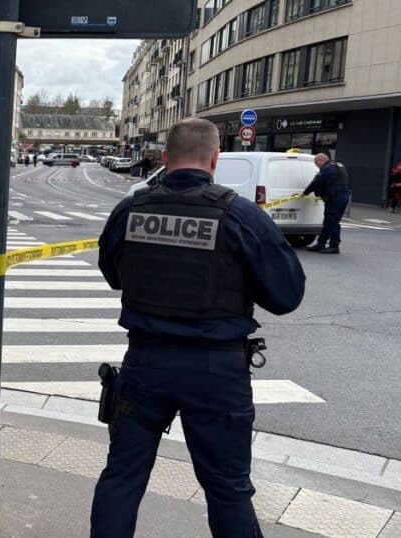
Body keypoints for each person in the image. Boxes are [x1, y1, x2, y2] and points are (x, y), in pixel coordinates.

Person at [90, 118, 305, 537]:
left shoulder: (131, 209)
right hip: (216, 372)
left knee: (122, 476)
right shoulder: (239, 214)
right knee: (228, 491)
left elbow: (112, 273)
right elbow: (287, 295)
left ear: (165, 158)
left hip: (146, 364)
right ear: (215, 159)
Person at [302, 153, 351, 254]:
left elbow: (317, 182)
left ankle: (334, 245)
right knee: (329, 221)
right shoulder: (338, 166)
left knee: (332, 222)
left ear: (320, 160)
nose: (317, 166)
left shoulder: (327, 168)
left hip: (335, 198)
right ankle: (321, 243)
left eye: (317, 164)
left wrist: (305, 193)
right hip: (341, 196)